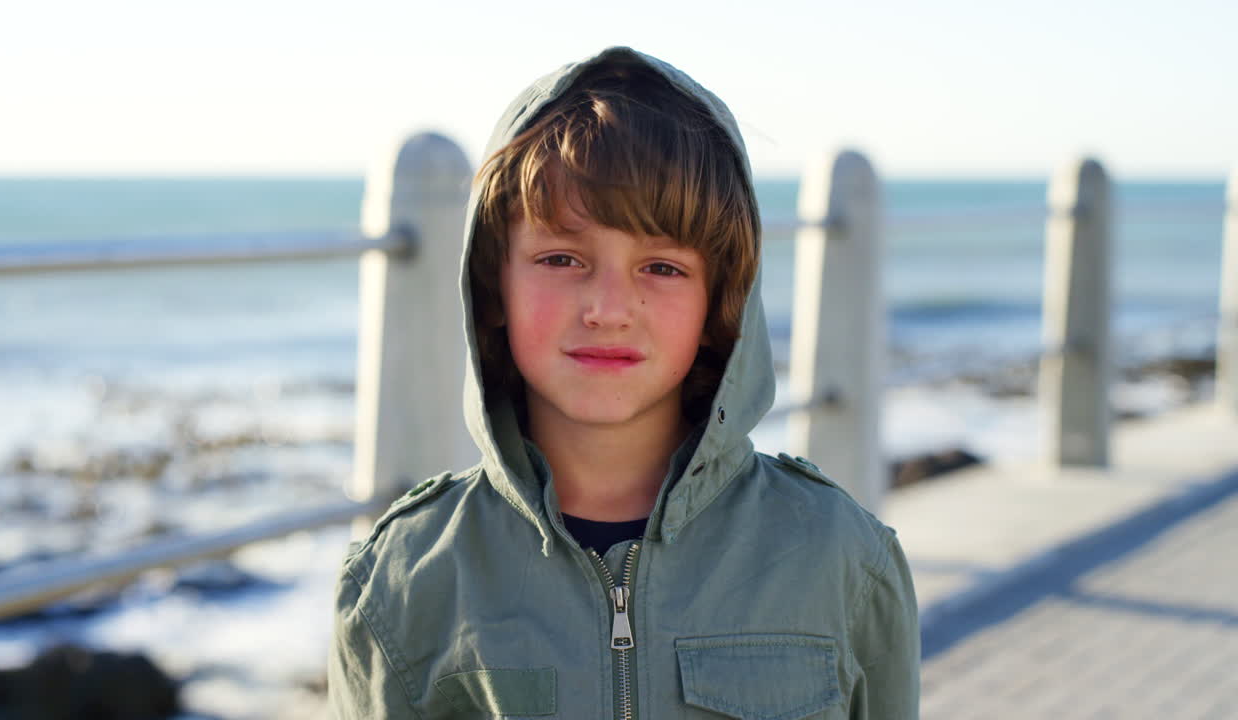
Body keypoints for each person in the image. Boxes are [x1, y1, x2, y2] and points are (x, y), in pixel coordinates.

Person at [327, 46, 919, 719]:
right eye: (560, 257)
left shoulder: (841, 557)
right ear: (493, 283)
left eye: (661, 268)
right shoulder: (404, 580)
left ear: (720, 299)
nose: (607, 308)